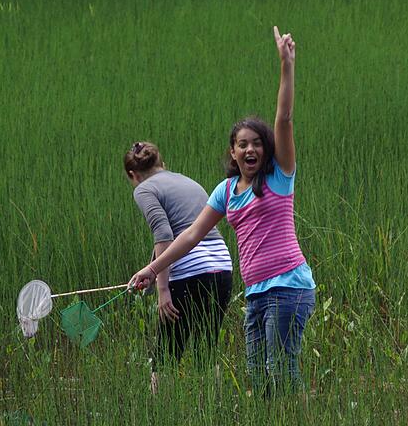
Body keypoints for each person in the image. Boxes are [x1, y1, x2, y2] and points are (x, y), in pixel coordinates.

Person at [129, 26, 315, 397]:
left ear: (267, 149)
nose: (250, 150)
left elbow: (284, 119)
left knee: (282, 373)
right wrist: (151, 271)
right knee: (259, 379)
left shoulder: (280, 177)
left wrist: (286, 66)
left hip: (289, 288)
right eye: (242, 144)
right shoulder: (227, 191)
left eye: (257, 144)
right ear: (232, 152)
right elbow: (191, 236)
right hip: (256, 293)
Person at [125, 142, 233, 393]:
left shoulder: (143, 189)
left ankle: (159, 414)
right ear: (161, 164)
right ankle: (213, 412)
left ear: (132, 175)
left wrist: (163, 290)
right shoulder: (186, 181)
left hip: (190, 272)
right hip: (221, 267)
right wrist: (153, 270)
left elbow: (164, 235)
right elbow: (181, 229)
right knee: (206, 352)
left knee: (165, 358)